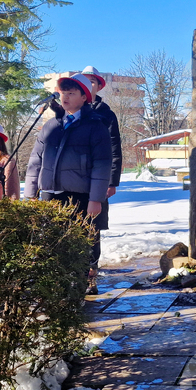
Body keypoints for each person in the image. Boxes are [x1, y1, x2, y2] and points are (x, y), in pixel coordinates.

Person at [24, 73, 112, 295]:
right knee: (52, 244)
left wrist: (95, 199)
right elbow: (35, 161)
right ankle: (55, 292)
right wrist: (31, 193)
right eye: (63, 93)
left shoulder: (96, 126)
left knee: (80, 245)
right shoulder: (51, 125)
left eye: (71, 93)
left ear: (84, 97)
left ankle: (77, 292)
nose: (65, 97)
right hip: (50, 195)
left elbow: (102, 165)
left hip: (79, 196)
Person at [81, 66, 123, 290]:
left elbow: (115, 148)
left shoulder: (106, 114)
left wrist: (112, 181)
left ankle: (91, 276)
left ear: (98, 86)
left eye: (93, 81)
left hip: (97, 179)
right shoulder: (71, 110)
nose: (89, 85)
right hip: (71, 179)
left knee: (92, 229)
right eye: (85, 81)